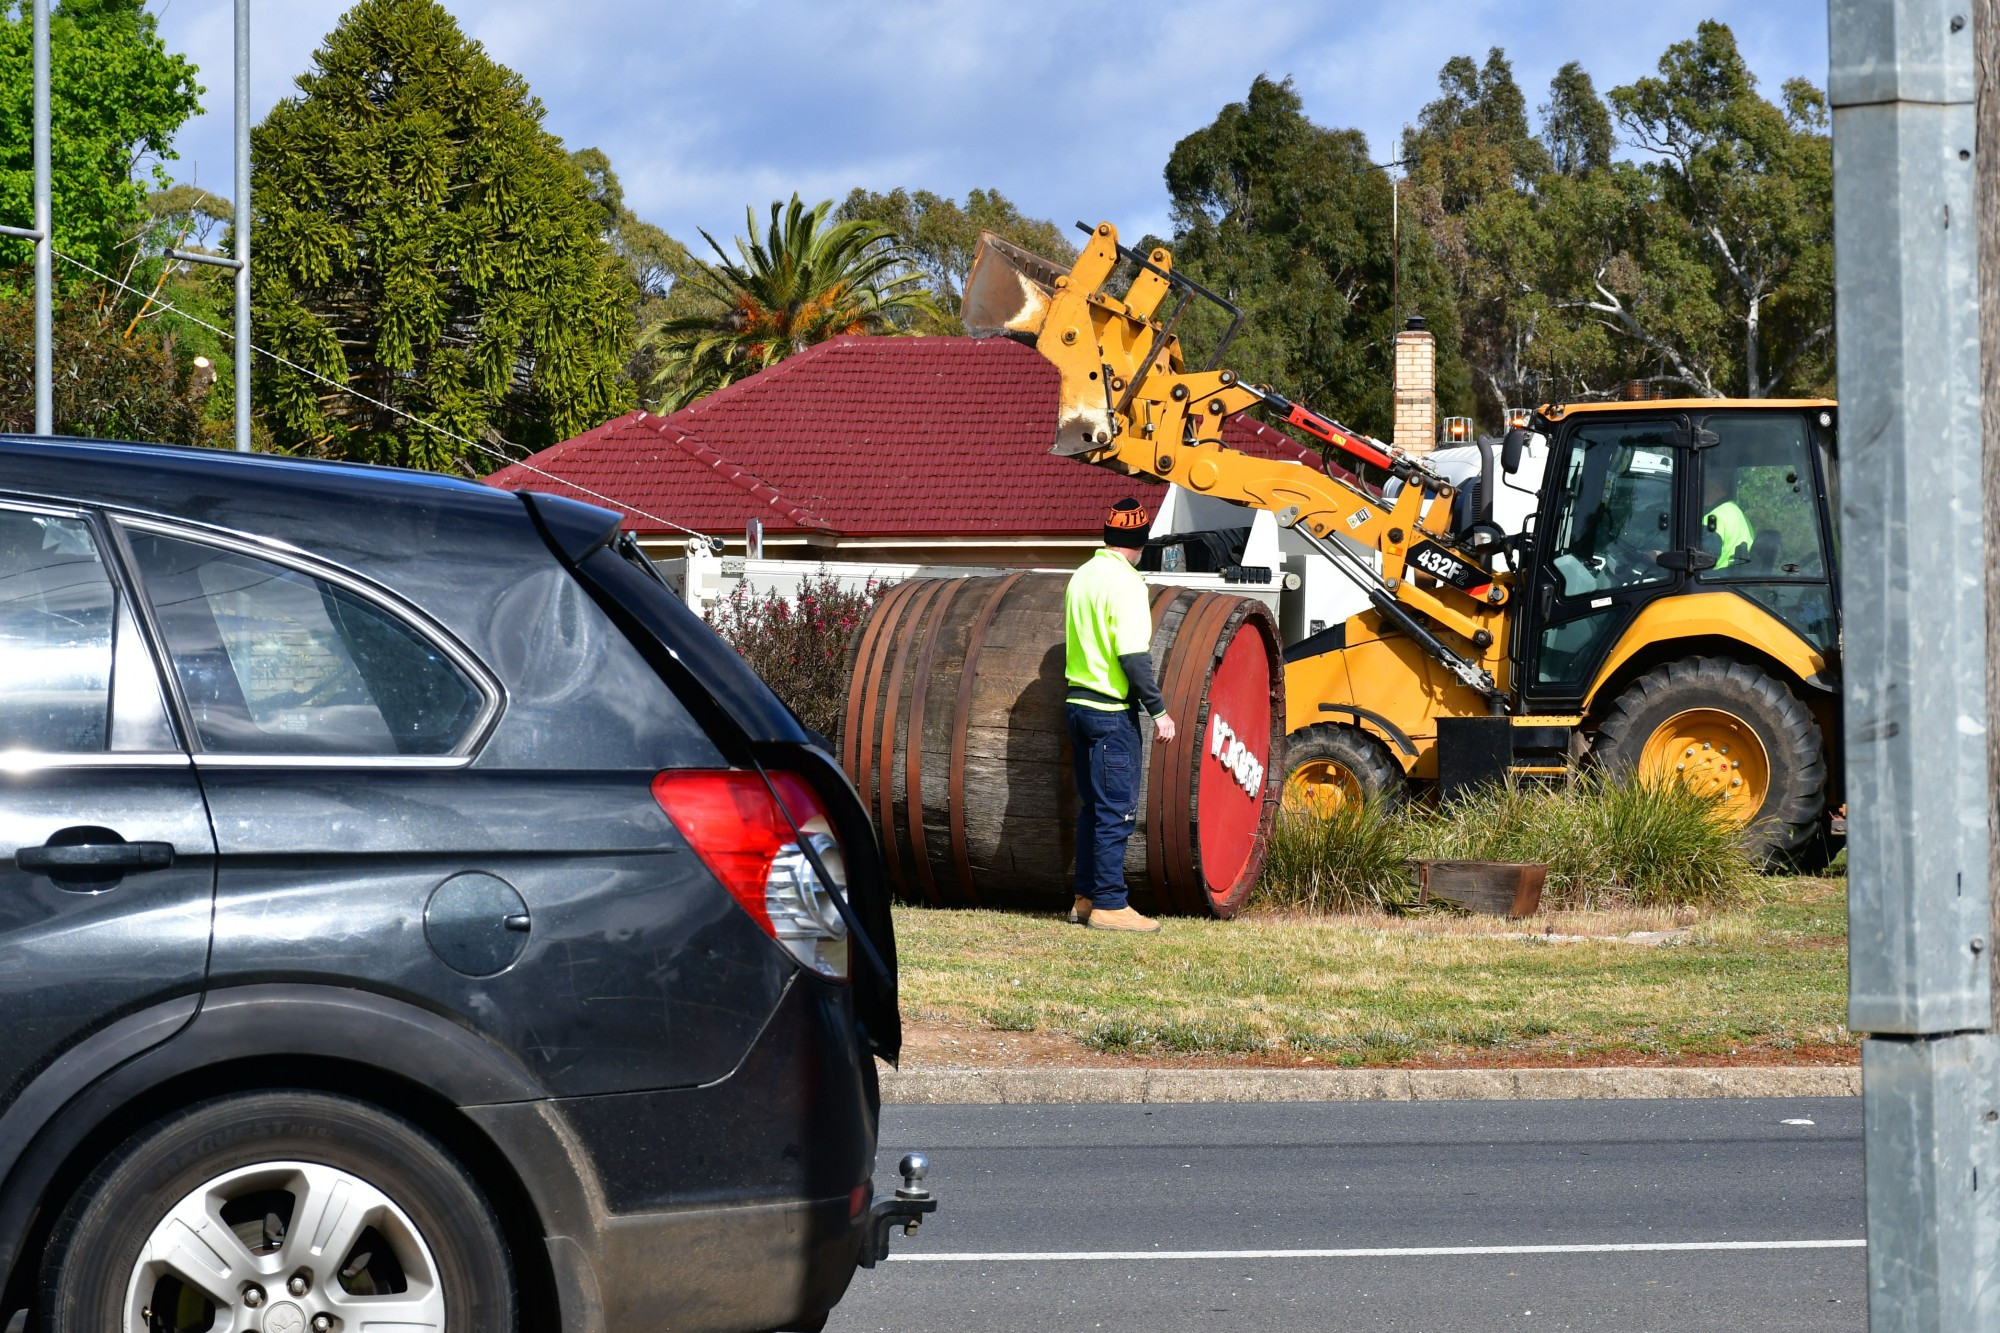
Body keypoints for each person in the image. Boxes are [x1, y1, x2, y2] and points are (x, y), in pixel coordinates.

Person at [1063, 498, 1176, 932]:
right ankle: (1111, 904)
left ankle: (1085, 898)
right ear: (1140, 542)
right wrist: (1159, 712)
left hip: (1077, 705)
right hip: (1111, 712)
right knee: (1117, 810)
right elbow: (1132, 655)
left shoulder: (1082, 576)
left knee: (1093, 808)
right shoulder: (1127, 583)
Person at [1702, 466, 1754, 570]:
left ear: (1715, 489)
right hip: (1734, 578)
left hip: (1712, 580)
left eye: (1705, 487)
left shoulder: (1713, 518)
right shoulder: (1738, 513)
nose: (1702, 491)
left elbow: (1702, 562)